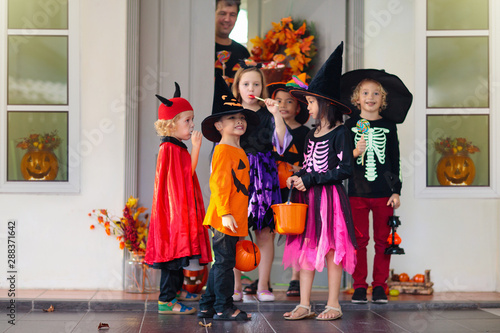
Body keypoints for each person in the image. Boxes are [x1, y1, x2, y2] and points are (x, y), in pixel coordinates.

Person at [282, 42, 357, 321]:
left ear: (325, 103)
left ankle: (333, 303)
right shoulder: (311, 134)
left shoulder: (340, 133)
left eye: (311, 102)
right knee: (306, 248)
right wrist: (298, 177)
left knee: (332, 250)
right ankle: (304, 303)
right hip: (310, 198)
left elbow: (344, 169)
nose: (307, 106)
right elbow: (310, 165)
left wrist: (310, 178)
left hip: (330, 200)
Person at [341, 69, 410, 304]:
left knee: (384, 241)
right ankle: (359, 285)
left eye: (376, 93)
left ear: (383, 100)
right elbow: (341, 161)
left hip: (384, 194)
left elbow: (395, 159)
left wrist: (396, 190)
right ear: (357, 98)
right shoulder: (349, 126)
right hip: (357, 193)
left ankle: (379, 285)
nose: (371, 97)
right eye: (366, 92)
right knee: (359, 241)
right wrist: (355, 151)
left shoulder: (390, 127)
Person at [144, 83, 212, 315]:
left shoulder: (175, 147)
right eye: (187, 121)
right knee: (173, 259)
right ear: (171, 124)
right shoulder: (169, 149)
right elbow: (185, 177)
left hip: (178, 212)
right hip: (173, 216)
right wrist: (196, 148)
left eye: (192, 120)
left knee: (179, 256)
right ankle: (166, 301)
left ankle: (179, 293)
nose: (192, 125)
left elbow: (184, 178)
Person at [198, 74, 259, 321]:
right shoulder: (223, 151)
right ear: (218, 126)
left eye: (241, 117)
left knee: (222, 263)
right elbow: (219, 184)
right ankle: (224, 307)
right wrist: (225, 212)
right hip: (225, 215)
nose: (239, 121)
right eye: (231, 118)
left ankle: (207, 305)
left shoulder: (238, 150)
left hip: (234, 215)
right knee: (224, 263)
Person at [231, 63, 291, 302]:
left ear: (262, 87)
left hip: (265, 176)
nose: (251, 88)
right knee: (236, 234)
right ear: (238, 87)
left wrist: (277, 114)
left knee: (264, 234)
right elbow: (221, 146)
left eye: (256, 84)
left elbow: (282, 144)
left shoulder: (268, 115)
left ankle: (263, 286)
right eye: (246, 84)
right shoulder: (231, 112)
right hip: (239, 174)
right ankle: (235, 286)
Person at [267, 74, 310, 297]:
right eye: (279, 100)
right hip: (271, 186)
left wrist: (299, 169)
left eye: (289, 101)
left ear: (298, 107)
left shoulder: (305, 132)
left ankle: (295, 278)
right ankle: (265, 281)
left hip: (294, 187)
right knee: (268, 232)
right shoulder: (269, 127)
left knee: (295, 232)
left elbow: (310, 160)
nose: (283, 105)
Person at [215, 0, 250, 86]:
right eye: (222, 13)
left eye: (232, 15)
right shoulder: (203, 48)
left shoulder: (243, 52)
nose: (227, 19)